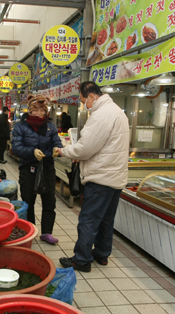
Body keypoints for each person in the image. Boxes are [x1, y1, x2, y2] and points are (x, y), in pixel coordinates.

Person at [54, 81, 129, 272]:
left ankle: (81, 259)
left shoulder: (101, 115)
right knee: (106, 219)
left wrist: (63, 152)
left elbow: (85, 149)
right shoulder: (117, 111)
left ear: (92, 97)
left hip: (101, 177)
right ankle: (102, 254)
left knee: (88, 219)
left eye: (82, 100)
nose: (83, 105)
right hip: (115, 177)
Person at [12, 95, 63, 245]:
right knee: (29, 201)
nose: (40, 113)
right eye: (36, 110)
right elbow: (16, 148)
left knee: (49, 201)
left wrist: (56, 149)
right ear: (30, 110)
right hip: (28, 168)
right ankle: (31, 230)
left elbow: (57, 142)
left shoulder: (50, 126)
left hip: (47, 167)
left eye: (43, 110)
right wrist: (32, 151)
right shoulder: (20, 126)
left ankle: (47, 232)